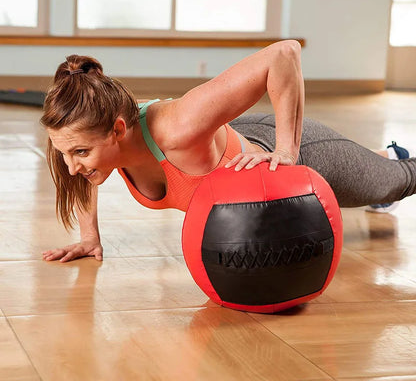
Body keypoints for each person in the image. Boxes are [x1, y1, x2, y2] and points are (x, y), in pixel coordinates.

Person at [40, 41, 416, 263]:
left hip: (291, 154)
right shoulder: (101, 132)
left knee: (398, 182)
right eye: (66, 154)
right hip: (239, 140)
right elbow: (86, 172)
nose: (72, 167)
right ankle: (378, 155)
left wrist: (287, 151)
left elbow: (284, 54)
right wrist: (90, 238)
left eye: (80, 152)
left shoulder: (178, 125)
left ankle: (392, 159)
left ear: (118, 131)